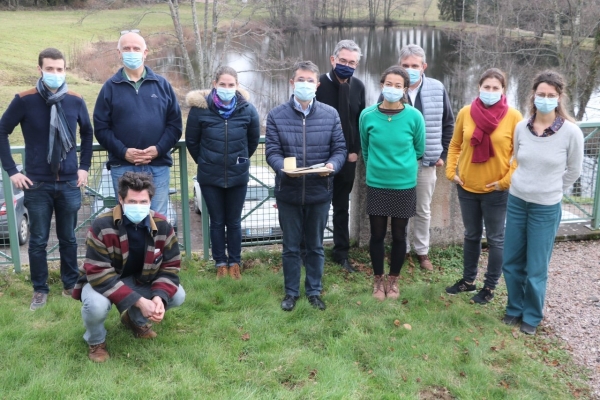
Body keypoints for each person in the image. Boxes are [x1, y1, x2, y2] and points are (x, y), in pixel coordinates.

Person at [0, 48, 93, 311]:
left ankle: (70, 285)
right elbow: (2, 131)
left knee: (69, 238)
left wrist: (84, 167)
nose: (55, 73)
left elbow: (87, 133)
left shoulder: (75, 100)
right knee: (38, 239)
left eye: (60, 69)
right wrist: (12, 171)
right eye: (50, 69)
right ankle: (40, 289)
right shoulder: (24, 100)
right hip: (37, 183)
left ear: (65, 70)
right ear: (40, 69)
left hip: (69, 183)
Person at [72, 172, 185, 362]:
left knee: (177, 295)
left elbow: (170, 266)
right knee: (96, 306)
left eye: (143, 202)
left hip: (140, 280)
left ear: (150, 201)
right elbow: (98, 273)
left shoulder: (163, 225)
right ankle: (96, 341)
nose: (138, 207)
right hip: (101, 282)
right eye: (132, 201)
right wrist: (140, 301)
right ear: (121, 199)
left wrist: (158, 296)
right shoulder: (101, 225)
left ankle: (135, 321)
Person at [502, 70, 583, 335]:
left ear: (559, 98)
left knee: (536, 267)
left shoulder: (571, 132)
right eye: (541, 94)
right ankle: (514, 308)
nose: (545, 99)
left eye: (551, 95)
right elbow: (516, 160)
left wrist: (551, 190)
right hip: (517, 202)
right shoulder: (521, 127)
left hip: (545, 208)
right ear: (533, 96)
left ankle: (532, 315)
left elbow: (574, 171)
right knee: (511, 261)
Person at [266, 61, 346, 312]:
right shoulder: (276, 115)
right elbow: (272, 151)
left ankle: (313, 291)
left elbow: (340, 149)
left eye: (310, 80)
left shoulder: (330, 114)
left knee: (315, 245)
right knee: (290, 247)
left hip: (319, 191)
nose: (305, 84)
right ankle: (291, 292)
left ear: (317, 85)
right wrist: (282, 168)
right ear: (292, 83)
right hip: (288, 191)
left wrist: (333, 165)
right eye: (301, 79)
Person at [445, 68, 523, 304]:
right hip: (467, 187)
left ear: (503, 90)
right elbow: (455, 144)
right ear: (479, 87)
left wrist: (505, 181)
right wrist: (451, 172)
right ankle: (468, 281)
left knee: (496, 239)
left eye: (495, 88)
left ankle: (489, 287)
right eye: (486, 87)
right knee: (471, 235)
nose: (490, 92)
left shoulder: (514, 117)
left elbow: (520, 155)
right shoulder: (466, 112)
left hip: (496, 190)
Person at [379, 44, 455, 271]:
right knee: (398, 210)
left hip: (426, 162)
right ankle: (401, 250)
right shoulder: (391, 88)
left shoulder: (437, 88)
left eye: (414, 65)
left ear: (424, 67)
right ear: (398, 66)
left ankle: (422, 251)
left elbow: (448, 123)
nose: (410, 69)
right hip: (398, 163)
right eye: (405, 65)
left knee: (422, 209)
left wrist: (441, 153)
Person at [93, 31, 182, 217]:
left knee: (158, 219)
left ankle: (156, 248)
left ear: (145, 52)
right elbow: (101, 129)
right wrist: (124, 152)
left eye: (136, 48)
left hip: (158, 166)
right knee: (128, 219)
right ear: (119, 53)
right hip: (123, 166)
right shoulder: (109, 88)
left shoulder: (162, 85)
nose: (131, 52)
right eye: (126, 48)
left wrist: (158, 149)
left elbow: (175, 125)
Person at [185, 66, 260, 280]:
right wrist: (206, 161)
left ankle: (235, 262)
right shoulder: (200, 110)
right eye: (222, 84)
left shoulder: (247, 109)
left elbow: (252, 141)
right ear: (214, 84)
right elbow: (192, 141)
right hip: (210, 176)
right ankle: (220, 263)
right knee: (217, 221)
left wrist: (240, 161)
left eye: (231, 85)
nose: (227, 88)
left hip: (238, 175)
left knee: (234, 221)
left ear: (237, 86)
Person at [360, 66, 425, 300]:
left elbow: (419, 149)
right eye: (389, 84)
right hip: (377, 183)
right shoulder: (367, 115)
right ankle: (378, 280)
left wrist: (401, 167)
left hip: (404, 184)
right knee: (376, 235)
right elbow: (366, 149)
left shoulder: (414, 116)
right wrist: (377, 168)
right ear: (382, 85)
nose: (393, 88)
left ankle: (394, 280)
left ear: (405, 89)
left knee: (399, 235)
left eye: (399, 85)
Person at [315, 39, 366, 273]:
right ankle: (312, 250)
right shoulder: (318, 85)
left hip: (348, 159)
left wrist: (355, 150)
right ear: (333, 59)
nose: (347, 65)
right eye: (343, 60)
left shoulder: (358, 86)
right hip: (320, 157)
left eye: (352, 62)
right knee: (317, 206)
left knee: (341, 207)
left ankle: (341, 252)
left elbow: (360, 122)